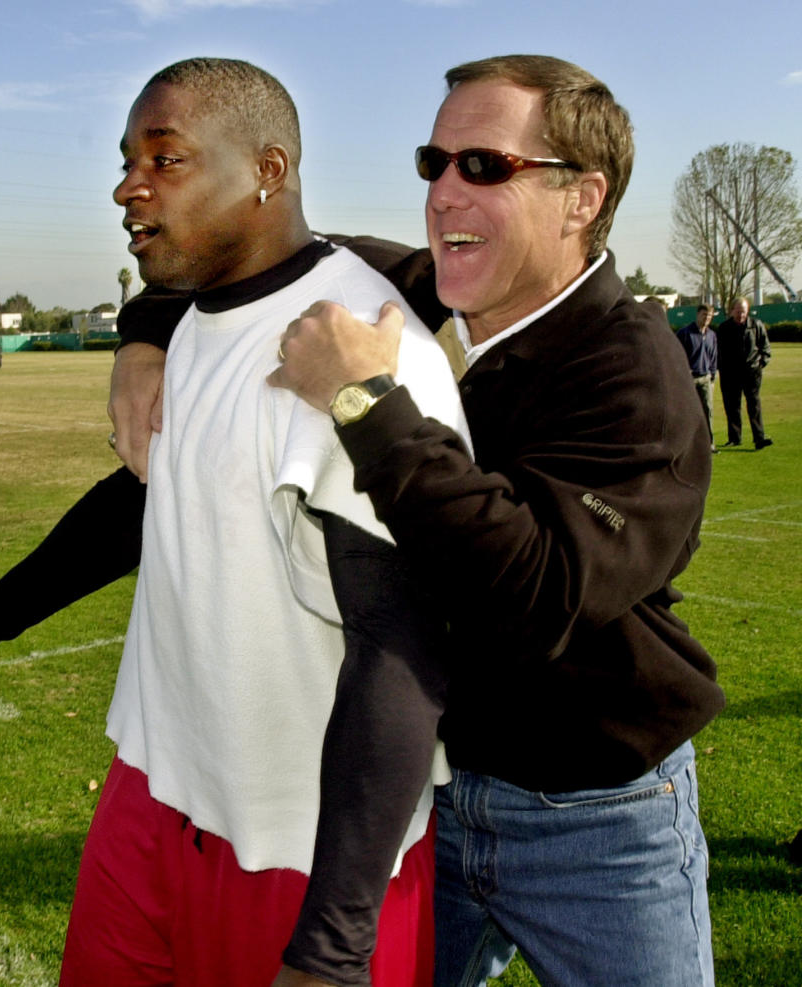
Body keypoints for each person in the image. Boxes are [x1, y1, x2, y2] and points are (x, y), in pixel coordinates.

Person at [0, 58, 472, 987]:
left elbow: (401, 650)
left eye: (164, 160)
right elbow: (154, 494)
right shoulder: (198, 318)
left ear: (267, 170)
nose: (128, 187)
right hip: (155, 786)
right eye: (128, 160)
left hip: (294, 845)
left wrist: (333, 944)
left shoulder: (361, 348)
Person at [267, 55, 724, 986]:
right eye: (432, 161)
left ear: (581, 197)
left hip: (597, 824)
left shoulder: (635, 372)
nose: (441, 192)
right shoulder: (425, 294)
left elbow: (531, 591)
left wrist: (365, 402)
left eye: (483, 166)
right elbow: (253, 241)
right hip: (428, 796)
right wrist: (146, 343)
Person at [717, 296, 773, 449]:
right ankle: (734, 438)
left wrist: (760, 364)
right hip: (730, 374)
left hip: (752, 372)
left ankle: (759, 438)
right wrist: (721, 368)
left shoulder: (756, 325)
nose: (741, 315)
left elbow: (766, 348)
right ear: (732, 311)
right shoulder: (724, 328)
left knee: (754, 405)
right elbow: (718, 352)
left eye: (744, 312)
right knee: (732, 406)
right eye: (738, 311)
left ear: (747, 311)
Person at [676, 303, 719, 452]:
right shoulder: (685, 333)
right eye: (704, 315)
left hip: (706, 378)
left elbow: (713, 357)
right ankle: (686, 444)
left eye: (709, 316)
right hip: (690, 379)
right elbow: (677, 355)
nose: (706, 318)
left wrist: (713, 376)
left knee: (708, 411)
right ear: (697, 315)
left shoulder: (712, 335)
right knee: (688, 411)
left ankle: (709, 444)